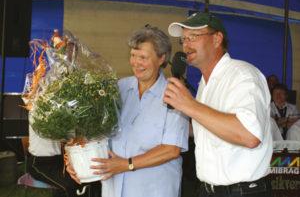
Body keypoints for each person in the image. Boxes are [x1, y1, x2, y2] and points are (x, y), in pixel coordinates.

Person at [66, 25, 189, 197]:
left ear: (161, 58)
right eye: (133, 55)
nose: (136, 63)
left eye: (143, 57)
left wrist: (126, 164)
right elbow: (97, 133)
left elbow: (171, 149)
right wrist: (78, 160)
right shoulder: (118, 88)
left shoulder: (175, 93)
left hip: (153, 190)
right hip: (113, 189)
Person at [164, 12, 273, 197]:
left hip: (242, 192)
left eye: (193, 37)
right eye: (183, 40)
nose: (186, 45)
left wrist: (189, 105)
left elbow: (249, 135)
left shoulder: (242, 75)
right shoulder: (205, 84)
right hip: (208, 190)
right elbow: (211, 129)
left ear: (217, 39)